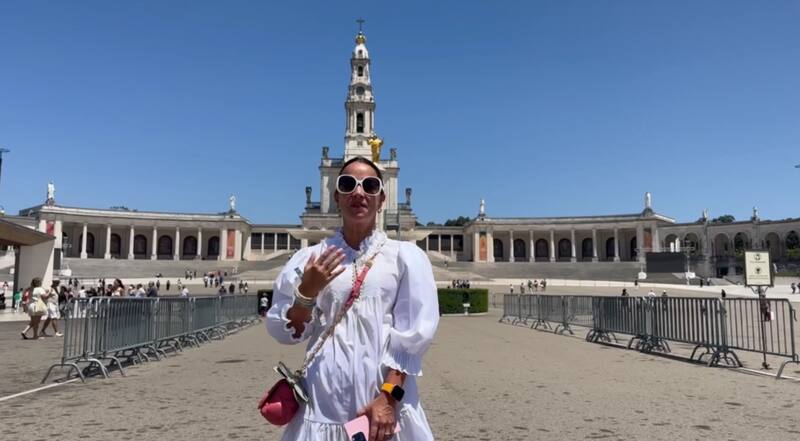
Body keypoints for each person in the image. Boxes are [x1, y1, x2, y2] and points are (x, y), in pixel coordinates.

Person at [266, 156, 439, 440]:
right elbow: (288, 333)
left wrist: (388, 398)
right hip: (322, 405)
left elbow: (412, 338)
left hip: (382, 408)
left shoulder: (404, 258)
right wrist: (306, 293)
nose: (359, 192)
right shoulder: (309, 259)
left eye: (369, 185)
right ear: (337, 196)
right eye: (348, 184)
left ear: (381, 198)